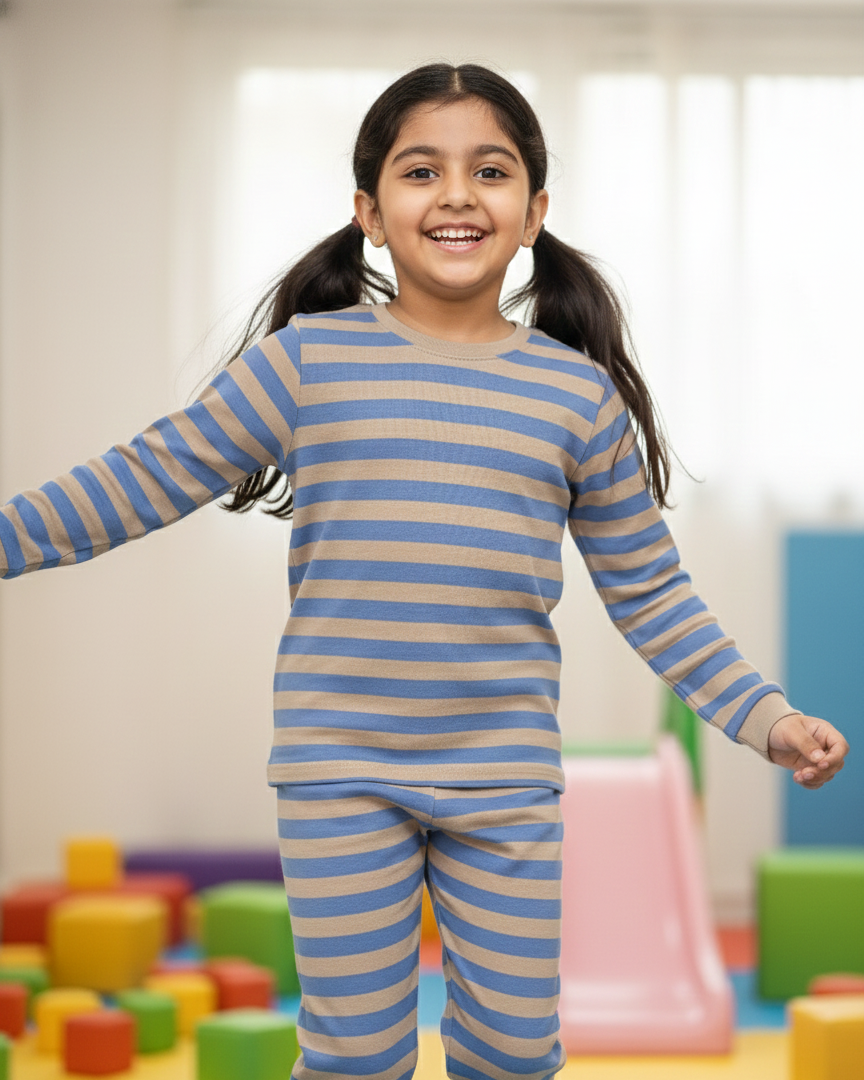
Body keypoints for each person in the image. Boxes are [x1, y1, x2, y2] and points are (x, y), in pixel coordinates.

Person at [0, 63, 848, 1080]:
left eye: (489, 171)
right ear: (368, 209)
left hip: (506, 779)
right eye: (420, 171)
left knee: (513, 1052)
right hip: (339, 775)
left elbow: (653, 593)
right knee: (355, 1054)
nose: (455, 194)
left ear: (534, 211)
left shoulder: (575, 399)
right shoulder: (306, 364)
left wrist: (767, 716)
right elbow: (148, 476)